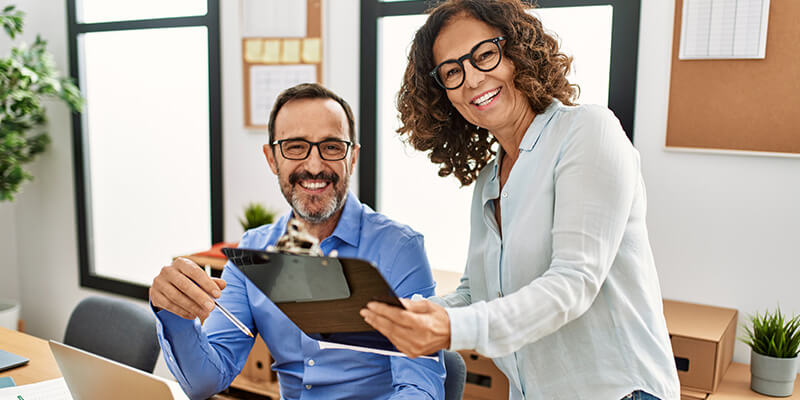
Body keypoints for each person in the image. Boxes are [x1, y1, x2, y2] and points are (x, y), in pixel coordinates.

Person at [360, 1, 681, 399]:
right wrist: (403, 315)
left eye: (484, 55)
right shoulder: (491, 179)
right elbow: (476, 293)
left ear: (518, 52)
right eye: (452, 72)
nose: (472, 80)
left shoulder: (586, 132)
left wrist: (449, 329)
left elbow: (573, 282)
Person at [150, 83, 445, 400]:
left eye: (331, 147)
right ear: (272, 158)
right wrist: (173, 315)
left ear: (353, 156)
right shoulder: (253, 252)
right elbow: (206, 381)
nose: (315, 166)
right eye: (295, 147)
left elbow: (420, 389)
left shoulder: (399, 249)